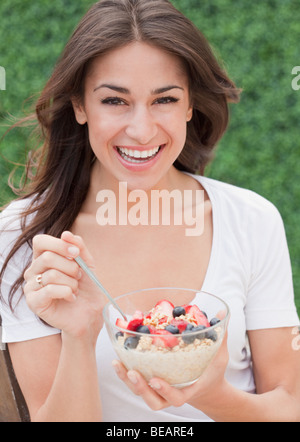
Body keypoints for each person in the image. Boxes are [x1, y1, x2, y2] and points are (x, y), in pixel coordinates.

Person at [0, 0, 299, 422]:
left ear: (190, 105)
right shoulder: (27, 238)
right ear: (80, 106)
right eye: (115, 101)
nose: (141, 130)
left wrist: (210, 396)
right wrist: (80, 337)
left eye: (165, 100)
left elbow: (289, 406)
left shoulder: (251, 220)